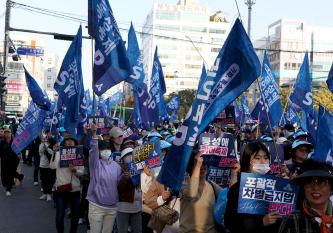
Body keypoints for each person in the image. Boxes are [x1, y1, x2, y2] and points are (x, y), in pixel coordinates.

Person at [224, 141, 284, 233]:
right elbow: (229, 223)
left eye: (266, 158)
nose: (263, 162)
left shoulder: (276, 187)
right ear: (247, 161)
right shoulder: (237, 189)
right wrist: (261, 222)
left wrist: (287, 184)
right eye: (257, 158)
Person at [278, 159, 333, 233]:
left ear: (331, 188)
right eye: (309, 182)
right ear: (303, 187)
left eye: (321, 182)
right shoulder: (292, 220)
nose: (315, 188)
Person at [86, 123, 122, 233]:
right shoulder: (95, 164)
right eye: (103, 149)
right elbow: (93, 150)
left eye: (108, 148)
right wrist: (94, 134)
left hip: (112, 207)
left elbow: (119, 183)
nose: (106, 151)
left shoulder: (116, 166)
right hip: (96, 206)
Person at [179, 150, 221, 233]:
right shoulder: (184, 185)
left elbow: (229, 197)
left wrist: (234, 173)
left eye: (204, 163)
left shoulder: (212, 186)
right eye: (198, 163)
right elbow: (192, 193)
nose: (202, 167)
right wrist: (197, 166)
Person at [50, 135, 84, 233]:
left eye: (71, 140)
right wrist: (55, 152)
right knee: (60, 215)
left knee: (75, 215)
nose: (69, 142)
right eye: (67, 140)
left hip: (75, 189)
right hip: (61, 188)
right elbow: (52, 166)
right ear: (64, 143)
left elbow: (82, 171)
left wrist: (75, 170)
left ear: (75, 142)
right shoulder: (59, 153)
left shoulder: (78, 154)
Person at [117, 147, 142, 233]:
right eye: (127, 155)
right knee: (122, 230)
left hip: (137, 207)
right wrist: (125, 178)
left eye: (132, 154)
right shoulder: (120, 169)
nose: (130, 156)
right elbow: (119, 188)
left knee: (138, 230)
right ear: (122, 159)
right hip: (123, 208)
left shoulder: (140, 168)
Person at [0, 128, 24, 196]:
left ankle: (8, 189)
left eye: (8, 132)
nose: (7, 134)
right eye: (6, 133)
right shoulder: (2, 142)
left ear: (10, 133)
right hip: (4, 160)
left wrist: (19, 154)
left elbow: (19, 148)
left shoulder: (14, 141)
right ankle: (20, 177)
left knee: (10, 174)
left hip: (14, 160)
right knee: (4, 174)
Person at [39, 130, 56, 201]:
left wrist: (47, 147)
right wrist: (43, 144)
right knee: (44, 179)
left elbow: (53, 153)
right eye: (48, 133)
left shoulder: (54, 142)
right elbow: (40, 152)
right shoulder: (43, 143)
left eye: (50, 133)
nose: (49, 135)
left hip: (51, 164)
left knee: (50, 179)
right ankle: (44, 193)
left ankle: (49, 194)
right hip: (43, 164)